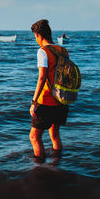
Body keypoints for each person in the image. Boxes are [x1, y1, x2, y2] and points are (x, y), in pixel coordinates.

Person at [29, 19, 69, 160]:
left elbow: (42, 78)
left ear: (39, 35)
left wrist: (34, 102)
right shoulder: (62, 50)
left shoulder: (42, 51)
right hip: (62, 100)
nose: (36, 41)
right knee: (54, 134)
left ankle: (40, 169)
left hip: (46, 100)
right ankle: (57, 165)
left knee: (34, 136)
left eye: (35, 37)